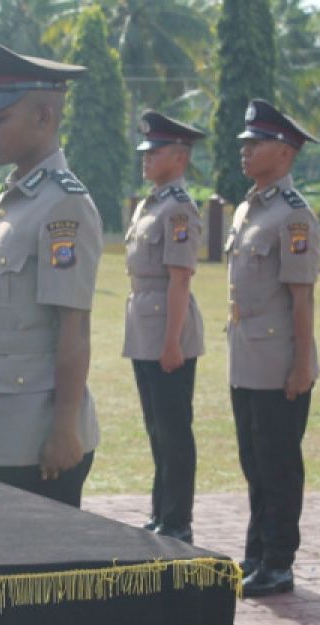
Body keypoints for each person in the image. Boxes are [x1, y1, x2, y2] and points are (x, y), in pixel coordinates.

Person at [0, 38, 102, 508]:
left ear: (44, 117)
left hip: (39, 434)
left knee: (43, 578)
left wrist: (65, 427)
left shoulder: (64, 202)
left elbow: (73, 325)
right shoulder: (9, 201)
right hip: (0, 422)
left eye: (1, 119)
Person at [226, 99, 320, 597]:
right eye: (244, 142)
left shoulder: (293, 217)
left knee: (278, 464)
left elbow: (301, 299)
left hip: (281, 360)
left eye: (255, 143)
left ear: (284, 152)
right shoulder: (249, 207)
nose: (245, 151)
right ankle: (256, 551)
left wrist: (301, 365)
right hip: (246, 358)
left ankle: (279, 560)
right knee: (253, 461)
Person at [124, 109, 207, 543]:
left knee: (174, 429)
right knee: (156, 427)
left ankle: (178, 519)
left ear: (178, 158)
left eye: (154, 151)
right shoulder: (151, 202)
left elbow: (179, 279)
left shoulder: (178, 209)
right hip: (144, 327)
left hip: (166, 331)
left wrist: (172, 341)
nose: (145, 158)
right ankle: (161, 512)